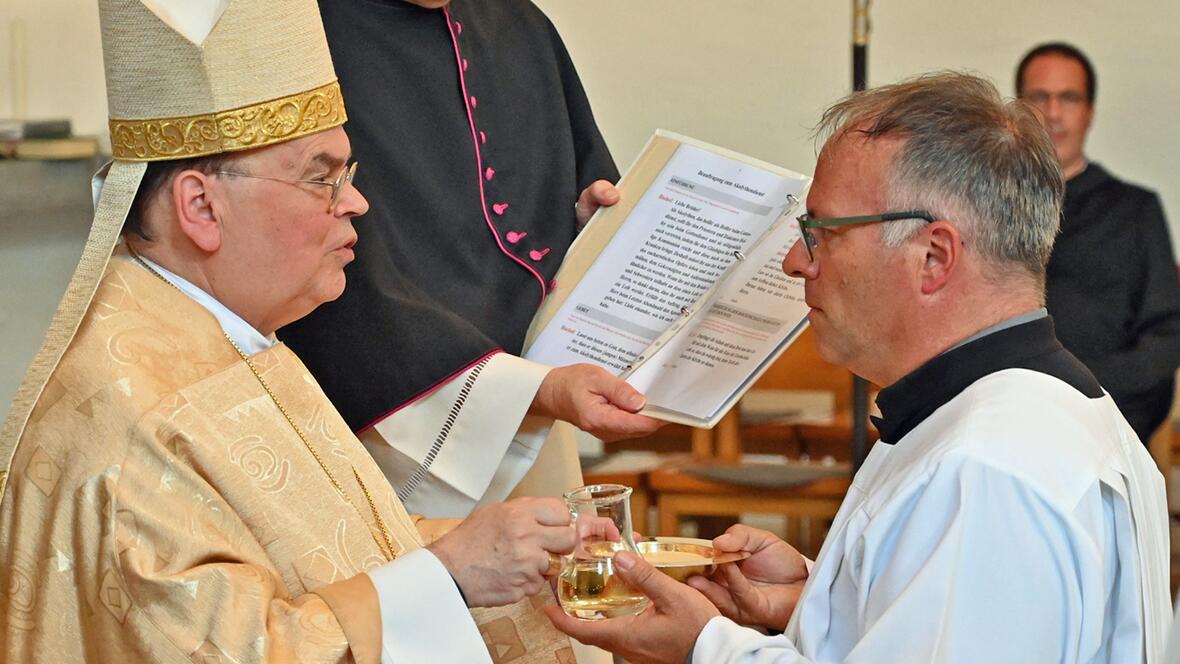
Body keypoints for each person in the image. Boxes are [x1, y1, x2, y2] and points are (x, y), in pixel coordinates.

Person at [0, 1, 583, 662]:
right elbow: (233, 649)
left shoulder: (233, 343)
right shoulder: (141, 420)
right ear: (201, 206)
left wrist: (518, 552)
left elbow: (336, 548)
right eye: (321, 177)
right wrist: (445, 576)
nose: (355, 201)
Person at [546, 72, 1171, 663]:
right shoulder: (1046, 412)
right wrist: (816, 597)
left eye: (823, 231)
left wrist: (702, 646)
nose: (795, 261)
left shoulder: (983, 469)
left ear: (933, 256)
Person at [280, 0, 662, 519]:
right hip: (380, 420)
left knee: (546, 591)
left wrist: (580, 226)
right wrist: (528, 390)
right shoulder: (290, 28)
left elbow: (569, 194)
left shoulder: (520, 25)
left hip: (532, 412)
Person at [1016, 42, 1180, 443]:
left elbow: (1166, 335)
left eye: (1068, 98)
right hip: (1005, 418)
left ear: (1089, 111)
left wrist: (1081, 392)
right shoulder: (986, 207)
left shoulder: (1135, 210)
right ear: (1017, 111)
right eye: (1040, 97)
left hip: (1105, 420)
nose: (1053, 113)